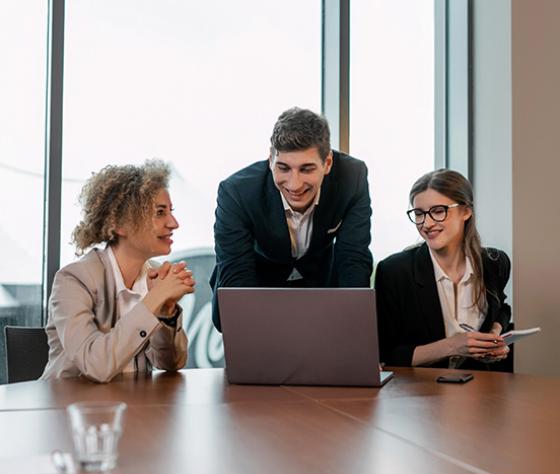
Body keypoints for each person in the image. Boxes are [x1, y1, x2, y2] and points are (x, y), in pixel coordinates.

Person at [210, 107, 373, 331]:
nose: (294, 184)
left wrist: (354, 329)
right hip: (258, 283)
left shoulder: (352, 178)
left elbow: (353, 258)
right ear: (270, 160)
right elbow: (236, 274)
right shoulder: (236, 192)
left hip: (320, 284)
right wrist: (247, 330)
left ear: (327, 163)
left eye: (306, 169)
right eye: (283, 168)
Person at [41, 160, 195, 382]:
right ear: (119, 224)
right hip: (71, 411)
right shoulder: (73, 280)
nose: (173, 223)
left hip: (133, 410)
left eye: (170, 211)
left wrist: (167, 312)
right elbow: (96, 365)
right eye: (159, 213)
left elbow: (172, 363)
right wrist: (156, 298)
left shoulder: (154, 275)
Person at [375, 169, 512, 370]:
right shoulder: (394, 272)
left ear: (466, 211)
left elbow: (502, 308)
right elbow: (387, 354)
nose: (427, 224)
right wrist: (453, 346)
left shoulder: (495, 262)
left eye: (438, 211)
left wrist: (493, 337)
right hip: (419, 395)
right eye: (419, 214)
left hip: (480, 390)